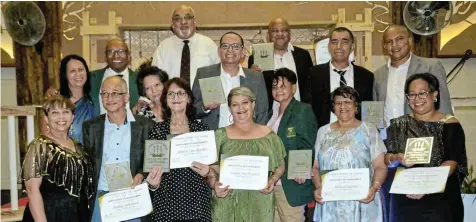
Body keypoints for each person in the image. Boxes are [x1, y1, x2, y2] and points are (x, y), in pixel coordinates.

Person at [383, 73, 467, 222]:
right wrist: (396, 158)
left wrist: (426, 187)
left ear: (435, 95)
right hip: (405, 197)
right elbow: (388, 158)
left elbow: (451, 162)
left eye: (422, 94)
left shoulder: (450, 124)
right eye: (412, 95)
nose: (417, 99)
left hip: (439, 198)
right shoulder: (398, 124)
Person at [82, 76, 155, 222]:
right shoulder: (91, 126)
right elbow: (88, 162)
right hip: (103, 196)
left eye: (115, 93)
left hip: (133, 195)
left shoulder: (146, 125)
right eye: (104, 93)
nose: (109, 98)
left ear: (126, 97)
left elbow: (152, 160)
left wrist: (141, 174)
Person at [312, 86, 387, 222]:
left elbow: (380, 166)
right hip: (330, 202)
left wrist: (374, 187)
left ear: (356, 106)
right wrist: (318, 187)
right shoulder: (322, 132)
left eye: (348, 102)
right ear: (333, 107)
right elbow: (316, 167)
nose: (343, 106)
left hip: (362, 200)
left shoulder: (369, 130)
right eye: (338, 102)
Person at [212, 87, 286, 221]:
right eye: (235, 104)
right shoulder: (220, 135)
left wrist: (273, 180)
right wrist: (214, 184)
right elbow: (212, 168)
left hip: (260, 202)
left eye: (245, 102)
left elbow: (280, 164)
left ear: (253, 104)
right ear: (230, 108)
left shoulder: (268, 135)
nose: (240, 108)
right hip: (227, 202)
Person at [147, 77, 214, 222]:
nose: (175, 97)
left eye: (180, 93)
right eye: (170, 94)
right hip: (166, 207)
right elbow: (153, 173)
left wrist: (208, 172)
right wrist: (153, 184)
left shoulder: (202, 131)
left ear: (188, 98)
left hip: (197, 206)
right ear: (165, 100)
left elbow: (212, 172)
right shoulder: (157, 132)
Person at [21, 95, 94, 222]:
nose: (61, 117)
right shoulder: (39, 146)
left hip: (78, 214)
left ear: (72, 117)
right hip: (50, 214)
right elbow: (32, 190)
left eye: (66, 112)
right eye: (55, 113)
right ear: (46, 119)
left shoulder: (80, 147)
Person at [373, 25, 453, 130]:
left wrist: (448, 132)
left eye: (399, 39)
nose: (394, 45)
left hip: (423, 136)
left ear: (409, 40)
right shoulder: (377, 75)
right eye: (389, 42)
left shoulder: (430, 66)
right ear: (384, 46)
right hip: (388, 139)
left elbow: (443, 104)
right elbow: (374, 114)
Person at [267, 68, 317, 222]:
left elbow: (308, 143)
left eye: (283, 86)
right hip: (272, 182)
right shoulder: (271, 113)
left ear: (293, 88)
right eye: (275, 87)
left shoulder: (302, 110)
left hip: (292, 183)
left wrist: (301, 170)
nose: (278, 90)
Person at [192, 31, 269, 130]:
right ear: (219, 51)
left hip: (246, 138)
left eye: (236, 46)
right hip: (213, 137)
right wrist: (204, 107)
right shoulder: (205, 74)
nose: (230, 50)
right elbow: (192, 110)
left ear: (243, 52)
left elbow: (262, 113)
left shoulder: (255, 77)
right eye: (225, 46)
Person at [309, 27, 374, 128]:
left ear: (352, 46)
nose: (339, 47)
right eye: (334, 42)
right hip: (324, 136)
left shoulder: (366, 77)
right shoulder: (313, 74)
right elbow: (308, 110)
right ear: (329, 46)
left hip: (357, 137)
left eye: (344, 42)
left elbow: (370, 112)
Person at [248, 18, 314, 110]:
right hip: (270, 115)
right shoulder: (256, 58)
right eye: (275, 31)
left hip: (300, 112)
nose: (280, 34)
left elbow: (311, 86)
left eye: (284, 30)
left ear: (289, 34)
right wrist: (251, 75)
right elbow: (253, 90)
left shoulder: (303, 55)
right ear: (268, 35)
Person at [151, 5, 220, 87]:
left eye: (188, 17)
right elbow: (153, 78)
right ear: (172, 24)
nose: (183, 22)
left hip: (203, 98)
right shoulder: (163, 47)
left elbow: (220, 74)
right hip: (172, 98)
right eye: (177, 19)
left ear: (194, 21)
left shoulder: (209, 44)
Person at [57, 54, 97, 143]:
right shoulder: (56, 103)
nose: (78, 74)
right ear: (65, 75)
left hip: (92, 155)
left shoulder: (94, 101)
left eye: (81, 70)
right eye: (72, 71)